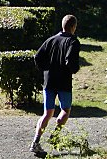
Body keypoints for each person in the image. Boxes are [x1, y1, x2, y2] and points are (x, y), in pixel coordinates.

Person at [29, 15, 80, 154]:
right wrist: (74, 69)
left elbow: (37, 57)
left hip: (49, 80)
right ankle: (55, 135)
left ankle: (36, 141)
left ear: (62, 25)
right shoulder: (73, 41)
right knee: (65, 110)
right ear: (73, 27)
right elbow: (70, 60)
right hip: (64, 81)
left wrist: (46, 69)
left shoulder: (51, 40)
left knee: (47, 113)